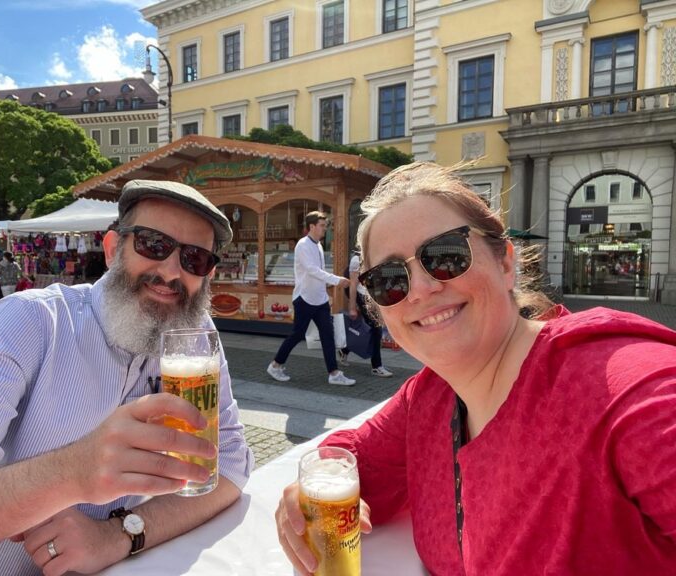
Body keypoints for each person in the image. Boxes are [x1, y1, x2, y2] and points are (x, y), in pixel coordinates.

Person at [275, 162, 676, 575]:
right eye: (390, 279)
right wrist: (310, 487)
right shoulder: (430, 397)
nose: (421, 290)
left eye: (446, 255)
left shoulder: (621, 388)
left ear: (505, 263)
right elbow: (354, 455)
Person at [0, 180, 254, 575]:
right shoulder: (30, 321)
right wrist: (72, 473)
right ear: (112, 249)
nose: (171, 271)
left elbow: (227, 464)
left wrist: (120, 534)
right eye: (153, 244)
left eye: (195, 259)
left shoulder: (192, 334)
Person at [267, 211, 356, 386]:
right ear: (312, 227)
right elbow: (312, 270)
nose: (325, 229)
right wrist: (337, 280)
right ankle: (275, 365)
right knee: (297, 334)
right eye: (322, 226)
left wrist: (327, 292)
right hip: (304, 299)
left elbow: (317, 273)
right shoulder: (302, 245)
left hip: (320, 299)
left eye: (325, 225)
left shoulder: (319, 246)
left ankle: (334, 373)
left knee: (328, 335)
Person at [337, 251, 393, 377]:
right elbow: (353, 285)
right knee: (376, 329)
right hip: (361, 297)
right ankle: (376, 366)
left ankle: (344, 350)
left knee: (366, 330)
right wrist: (352, 307)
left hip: (371, 296)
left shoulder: (375, 254)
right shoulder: (357, 259)